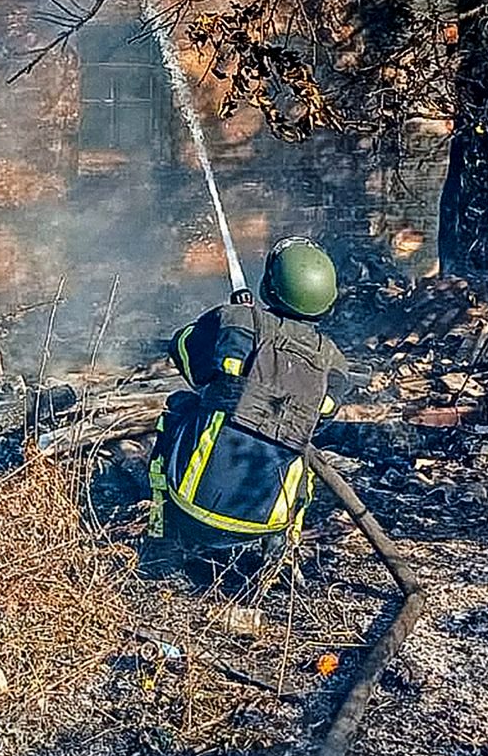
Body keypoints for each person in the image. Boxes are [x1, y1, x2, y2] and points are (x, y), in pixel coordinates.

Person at [149, 237, 352, 572]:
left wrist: (235, 328)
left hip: (192, 508)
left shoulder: (235, 321)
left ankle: (162, 535)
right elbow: (320, 420)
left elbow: (184, 353)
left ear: (269, 287)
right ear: (328, 302)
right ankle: (281, 556)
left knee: (179, 408)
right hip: (264, 523)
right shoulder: (335, 364)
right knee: (303, 450)